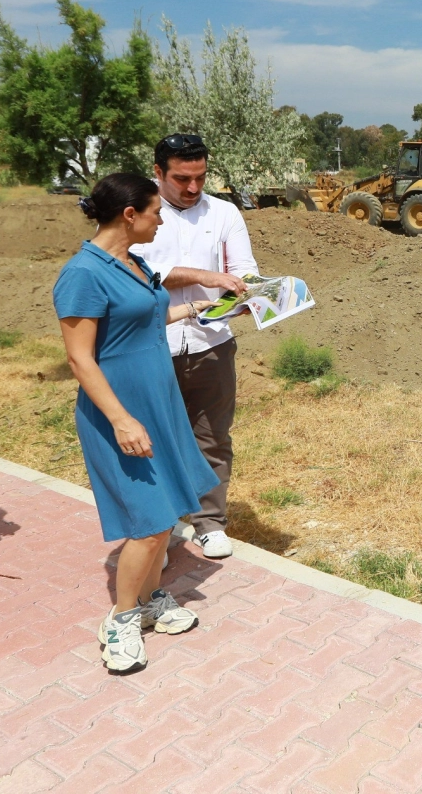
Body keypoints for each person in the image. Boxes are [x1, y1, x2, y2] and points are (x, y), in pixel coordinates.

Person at [54, 173, 218, 674]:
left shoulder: (134, 262)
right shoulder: (83, 274)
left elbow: (145, 318)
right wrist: (122, 419)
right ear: (130, 215)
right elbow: (81, 360)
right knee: (148, 525)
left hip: (158, 404)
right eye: (155, 212)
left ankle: (150, 601)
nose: (161, 219)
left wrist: (198, 306)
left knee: (166, 516)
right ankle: (121, 620)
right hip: (119, 413)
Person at [129, 133, 257, 560]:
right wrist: (208, 276)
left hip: (211, 344)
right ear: (158, 172)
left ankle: (209, 522)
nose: (193, 187)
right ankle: (158, 532)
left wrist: (241, 299)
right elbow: (138, 274)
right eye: (182, 178)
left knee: (212, 436)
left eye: (201, 177)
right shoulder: (137, 214)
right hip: (150, 347)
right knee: (153, 441)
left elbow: (242, 271)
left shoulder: (224, 213)